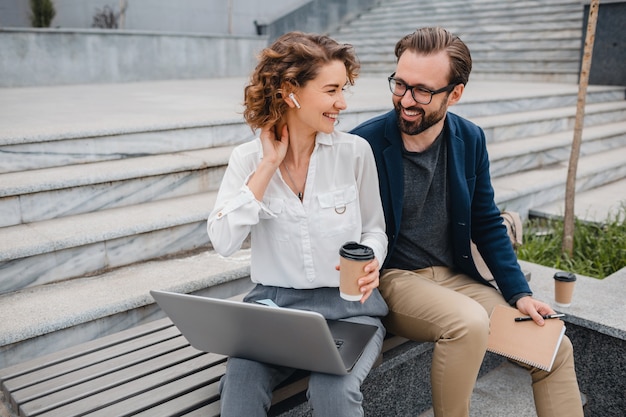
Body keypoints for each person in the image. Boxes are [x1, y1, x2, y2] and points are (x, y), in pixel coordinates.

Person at [350, 27, 584, 417]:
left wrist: (519, 294)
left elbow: (487, 223)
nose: (405, 100)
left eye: (421, 91)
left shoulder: (470, 138)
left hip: (456, 277)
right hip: (393, 278)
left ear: (454, 93)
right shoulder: (364, 144)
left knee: (554, 347)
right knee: (469, 324)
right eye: (400, 84)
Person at [207, 31, 388, 417]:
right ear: (291, 90)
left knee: (333, 394)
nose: (341, 103)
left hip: (348, 310)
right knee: (237, 392)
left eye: (344, 89)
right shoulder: (247, 159)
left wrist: (371, 258)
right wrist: (267, 165)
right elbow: (222, 241)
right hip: (274, 310)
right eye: (331, 90)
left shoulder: (355, 153)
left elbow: (374, 229)